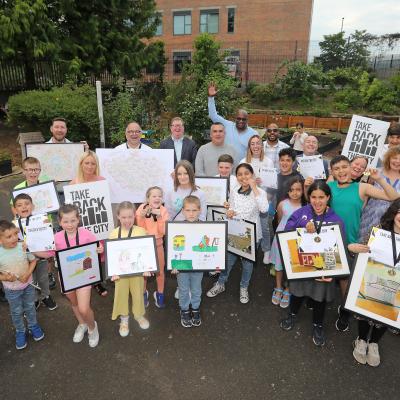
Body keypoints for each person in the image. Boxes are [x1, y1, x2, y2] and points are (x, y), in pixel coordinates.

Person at [326, 155, 400, 331]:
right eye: (337, 169)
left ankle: (345, 309)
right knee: (326, 272)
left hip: (350, 240)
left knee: (345, 278)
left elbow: (393, 197)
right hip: (329, 238)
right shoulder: (328, 186)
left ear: (350, 168)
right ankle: (319, 300)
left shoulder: (362, 187)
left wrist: (380, 179)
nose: (341, 171)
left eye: (344, 167)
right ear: (333, 172)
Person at [280, 181, 345, 346]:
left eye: (321, 197)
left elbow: (340, 249)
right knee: (297, 293)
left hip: (323, 271)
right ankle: (292, 314)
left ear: (328, 197)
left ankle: (318, 324)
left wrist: (332, 273)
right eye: (314, 197)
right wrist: (301, 225)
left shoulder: (336, 220)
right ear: (309, 197)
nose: (317, 201)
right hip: (303, 266)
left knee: (319, 299)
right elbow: (286, 231)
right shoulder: (301, 213)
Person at [207, 163, 268, 303]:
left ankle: (244, 287)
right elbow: (232, 207)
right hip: (234, 231)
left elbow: (264, 209)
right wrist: (230, 211)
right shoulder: (234, 190)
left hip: (251, 235)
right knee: (228, 260)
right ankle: (220, 283)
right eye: (240, 174)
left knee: (247, 264)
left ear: (252, 175)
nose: (243, 177)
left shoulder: (260, 192)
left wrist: (254, 187)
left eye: (247, 173)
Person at [350, 200, 400, 367]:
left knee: (386, 313)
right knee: (366, 311)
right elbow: (362, 249)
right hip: (372, 280)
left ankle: (374, 343)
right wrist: (355, 248)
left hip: (395, 287)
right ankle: (362, 339)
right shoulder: (378, 230)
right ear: (394, 212)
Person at [53, 204, 102, 347]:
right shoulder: (56, 238)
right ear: (59, 222)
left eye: (73, 220)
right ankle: (82, 324)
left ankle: (92, 328)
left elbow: (99, 246)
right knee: (74, 303)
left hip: (84, 276)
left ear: (78, 220)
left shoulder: (86, 233)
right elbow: (46, 252)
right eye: (65, 221)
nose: (69, 225)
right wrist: (30, 248)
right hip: (66, 277)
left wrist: (100, 249)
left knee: (83, 308)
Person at [11, 158, 56, 291]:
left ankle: (48, 275)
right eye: (29, 170)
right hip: (26, 228)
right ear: (24, 171)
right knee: (30, 254)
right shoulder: (17, 189)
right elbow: (14, 210)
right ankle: (33, 280)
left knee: (46, 254)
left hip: (44, 225)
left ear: (40, 170)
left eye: (36, 169)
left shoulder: (46, 185)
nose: (33, 172)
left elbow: (52, 206)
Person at [69, 151, 108, 297]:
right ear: (81, 164)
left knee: (98, 252)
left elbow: (103, 204)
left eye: (93, 163)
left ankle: (97, 281)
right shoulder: (74, 183)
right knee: (85, 254)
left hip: (97, 224)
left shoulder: (101, 180)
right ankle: (87, 280)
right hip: (81, 226)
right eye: (87, 163)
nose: (90, 166)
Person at [0, 220, 44, 350]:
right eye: (9, 236)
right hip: (11, 290)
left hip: (28, 286)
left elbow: (33, 261)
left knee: (30, 307)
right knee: (16, 311)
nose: (14, 238)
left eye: (15, 234)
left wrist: (27, 274)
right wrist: (5, 277)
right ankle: (20, 330)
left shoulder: (23, 246)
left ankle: (33, 325)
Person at [109, 201, 151, 337]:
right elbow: (112, 257)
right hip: (120, 275)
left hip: (137, 273)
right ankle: (124, 319)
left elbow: (145, 253)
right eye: (124, 217)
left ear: (135, 216)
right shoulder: (114, 234)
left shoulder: (141, 231)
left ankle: (139, 315)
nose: (127, 220)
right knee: (121, 294)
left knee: (138, 293)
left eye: (130, 217)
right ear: (118, 217)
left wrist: (146, 267)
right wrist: (113, 272)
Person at [12, 194, 57, 311]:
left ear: (33, 206)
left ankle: (46, 295)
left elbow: (48, 238)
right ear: (15, 209)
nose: (24, 207)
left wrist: (48, 225)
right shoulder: (13, 226)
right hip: (25, 261)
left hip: (41, 259)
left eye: (27, 204)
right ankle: (35, 299)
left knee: (43, 278)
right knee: (30, 281)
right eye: (19, 205)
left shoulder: (42, 220)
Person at [270, 177, 306, 308]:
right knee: (279, 264)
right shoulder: (282, 204)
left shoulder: (306, 207)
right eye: (291, 190)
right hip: (281, 238)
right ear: (287, 191)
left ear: (303, 190)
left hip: (297, 240)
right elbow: (279, 220)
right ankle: (278, 287)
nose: (295, 193)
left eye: (298, 189)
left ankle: (288, 288)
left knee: (293, 265)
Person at [171, 195, 204, 328]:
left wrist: (213, 263)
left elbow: (208, 248)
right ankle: (184, 309)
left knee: (196, 289)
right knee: (184, 290)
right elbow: (174, 248)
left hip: (198, 266)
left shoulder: (206, 228)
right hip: (182, 266)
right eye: (188, 210)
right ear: (183, 211)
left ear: (200, 210)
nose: (191, 213)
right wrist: (173, 264)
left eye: (194, 210)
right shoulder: (177, 228)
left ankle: (195, 308)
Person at [240, 134, 274, 264]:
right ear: (249, 146)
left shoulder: (268, 161)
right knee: (247, 226)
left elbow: (272, 185)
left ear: (262, 145)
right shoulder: (244, 162)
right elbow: (239, 181)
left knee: (264, 227)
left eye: (258, 143)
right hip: (247, 201)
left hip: (262, 200)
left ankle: (266, 250)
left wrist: (263, 184)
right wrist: (251, 182)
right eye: (252, 144)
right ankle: (246, 249)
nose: (255, 146)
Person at [136, 187, 169, 309]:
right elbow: (140, 229)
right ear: (147, 198)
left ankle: (160, 294)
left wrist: (159, 217)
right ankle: (143, 294)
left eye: (159, 196)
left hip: (159, 244)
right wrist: (141, 217)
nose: (157, 198)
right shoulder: (142, 208)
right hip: (145, 246)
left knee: (160, 271)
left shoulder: (163, 210)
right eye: (154, 196)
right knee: (144, 271)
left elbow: (163, 231)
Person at [358, 146, 400, 244]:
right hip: (370, 216)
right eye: (395, 158)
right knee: (362, 245)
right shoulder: (376, 172)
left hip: (392, 221)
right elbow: (364, 192)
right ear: (389, 158)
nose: (397, 161)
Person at [208, 82, 258, 161]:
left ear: (247, 120)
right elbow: (213, 115)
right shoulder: (227, 125)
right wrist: (211, 98)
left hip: (242, 169)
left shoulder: (253, 134)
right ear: (235, 118)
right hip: (225, 166)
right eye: (238, 118)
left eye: (243, 119)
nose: (241, 121)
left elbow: (256, 152)